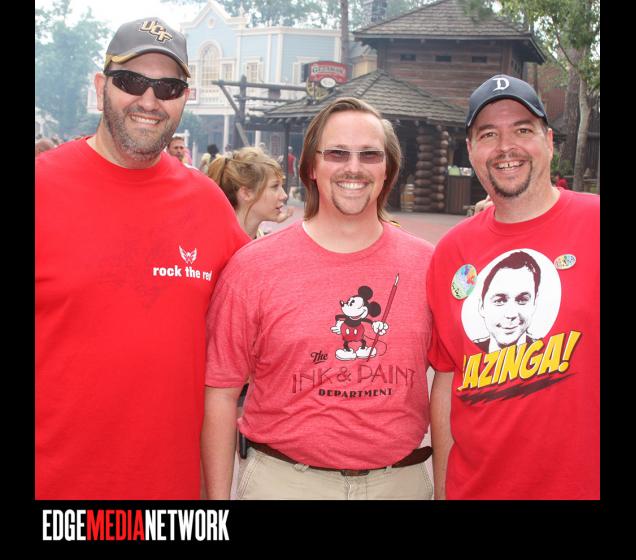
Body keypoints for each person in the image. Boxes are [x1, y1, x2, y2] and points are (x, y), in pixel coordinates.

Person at [35, 17, 249, 500]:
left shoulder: (207, 204)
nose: (149, 101)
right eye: (131, 81)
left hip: (170, 499)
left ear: (184, 99)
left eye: (167, 87)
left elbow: (267, 310)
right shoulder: (42, 188)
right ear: (100, 87)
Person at [202, 97, 435, 500]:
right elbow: (221, 392)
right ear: (311, 166)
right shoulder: (253, 267)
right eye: (337, 153)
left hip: (400, 483)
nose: (353, 167)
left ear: (388, 170)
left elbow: (450, 384)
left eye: (370, 155)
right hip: (285, 484)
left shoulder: (428, 265)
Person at [427, 74, 599, 499]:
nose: (506, 147)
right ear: (471, 150)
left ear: (549, 141)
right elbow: (447, 379)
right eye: (489, 134)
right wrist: (444, 489)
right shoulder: (451, 252)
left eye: (523, 130)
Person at [207, 146, 292, 239]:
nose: (284, 195)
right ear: (246, 193)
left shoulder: (258, 239)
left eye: (281, 186)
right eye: (275, 186)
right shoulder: (216, 241)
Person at [473, 250, 540, 352]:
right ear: (481, 306)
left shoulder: (550, 348)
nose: (511, 314)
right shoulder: (464, 351)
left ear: (534, 303)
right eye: (499, 301)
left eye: (522, 300)